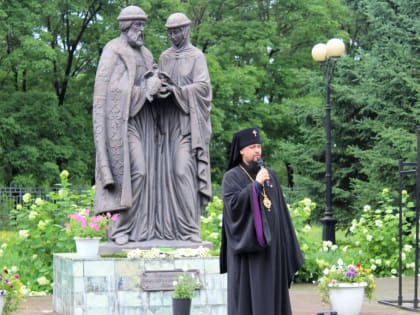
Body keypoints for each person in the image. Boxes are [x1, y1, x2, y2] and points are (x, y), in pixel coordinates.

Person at [220, 127, 304, 315]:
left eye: (258, 146)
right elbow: (233, 209)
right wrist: (255, 186)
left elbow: (281, 213)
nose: (257, 150)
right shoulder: (232, 177)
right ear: (241, 150)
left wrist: (286, 246)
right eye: (252, 147)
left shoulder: (270, 175)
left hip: (272, 253)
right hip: (248, 256)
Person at [92, 5, 158, 244]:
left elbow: (149, 80)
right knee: (135, 171)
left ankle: (141, 228)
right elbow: (107, 93)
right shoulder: (113, 50)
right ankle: (119, 228)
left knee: (146, 174)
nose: (141, 31)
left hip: (146, 123)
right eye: (138, 26)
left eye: (143, 26)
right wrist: (143, 91)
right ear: (126, 27)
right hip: (122, 124)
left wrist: (158, 84)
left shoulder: (147, 54)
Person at [153, 12, 212, 241]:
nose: (173, 36)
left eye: (177, 31)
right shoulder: (165, 57)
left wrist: (177, 91)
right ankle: (168, 229)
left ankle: (190, 228)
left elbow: (203, 88)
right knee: (164, 176)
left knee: (181, 170)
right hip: (166, 125)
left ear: (186, 31)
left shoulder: (197, 56)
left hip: (187, 124)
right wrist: (159, 88)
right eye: (170, 32)